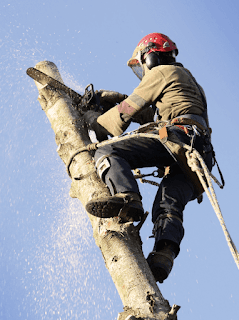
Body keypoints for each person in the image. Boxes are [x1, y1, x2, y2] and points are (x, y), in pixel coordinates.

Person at [84, 33, 213, 283]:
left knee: (109, 150)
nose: (143, 70)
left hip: (179, 138)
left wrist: (93, 119)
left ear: (150, 55)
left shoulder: (161, 72)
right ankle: (164, 255)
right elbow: (153, 113)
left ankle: (127, 198)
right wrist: (119, 99)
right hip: (200, 155)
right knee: (168, 203)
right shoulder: (188, 81)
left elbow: (129, 110)